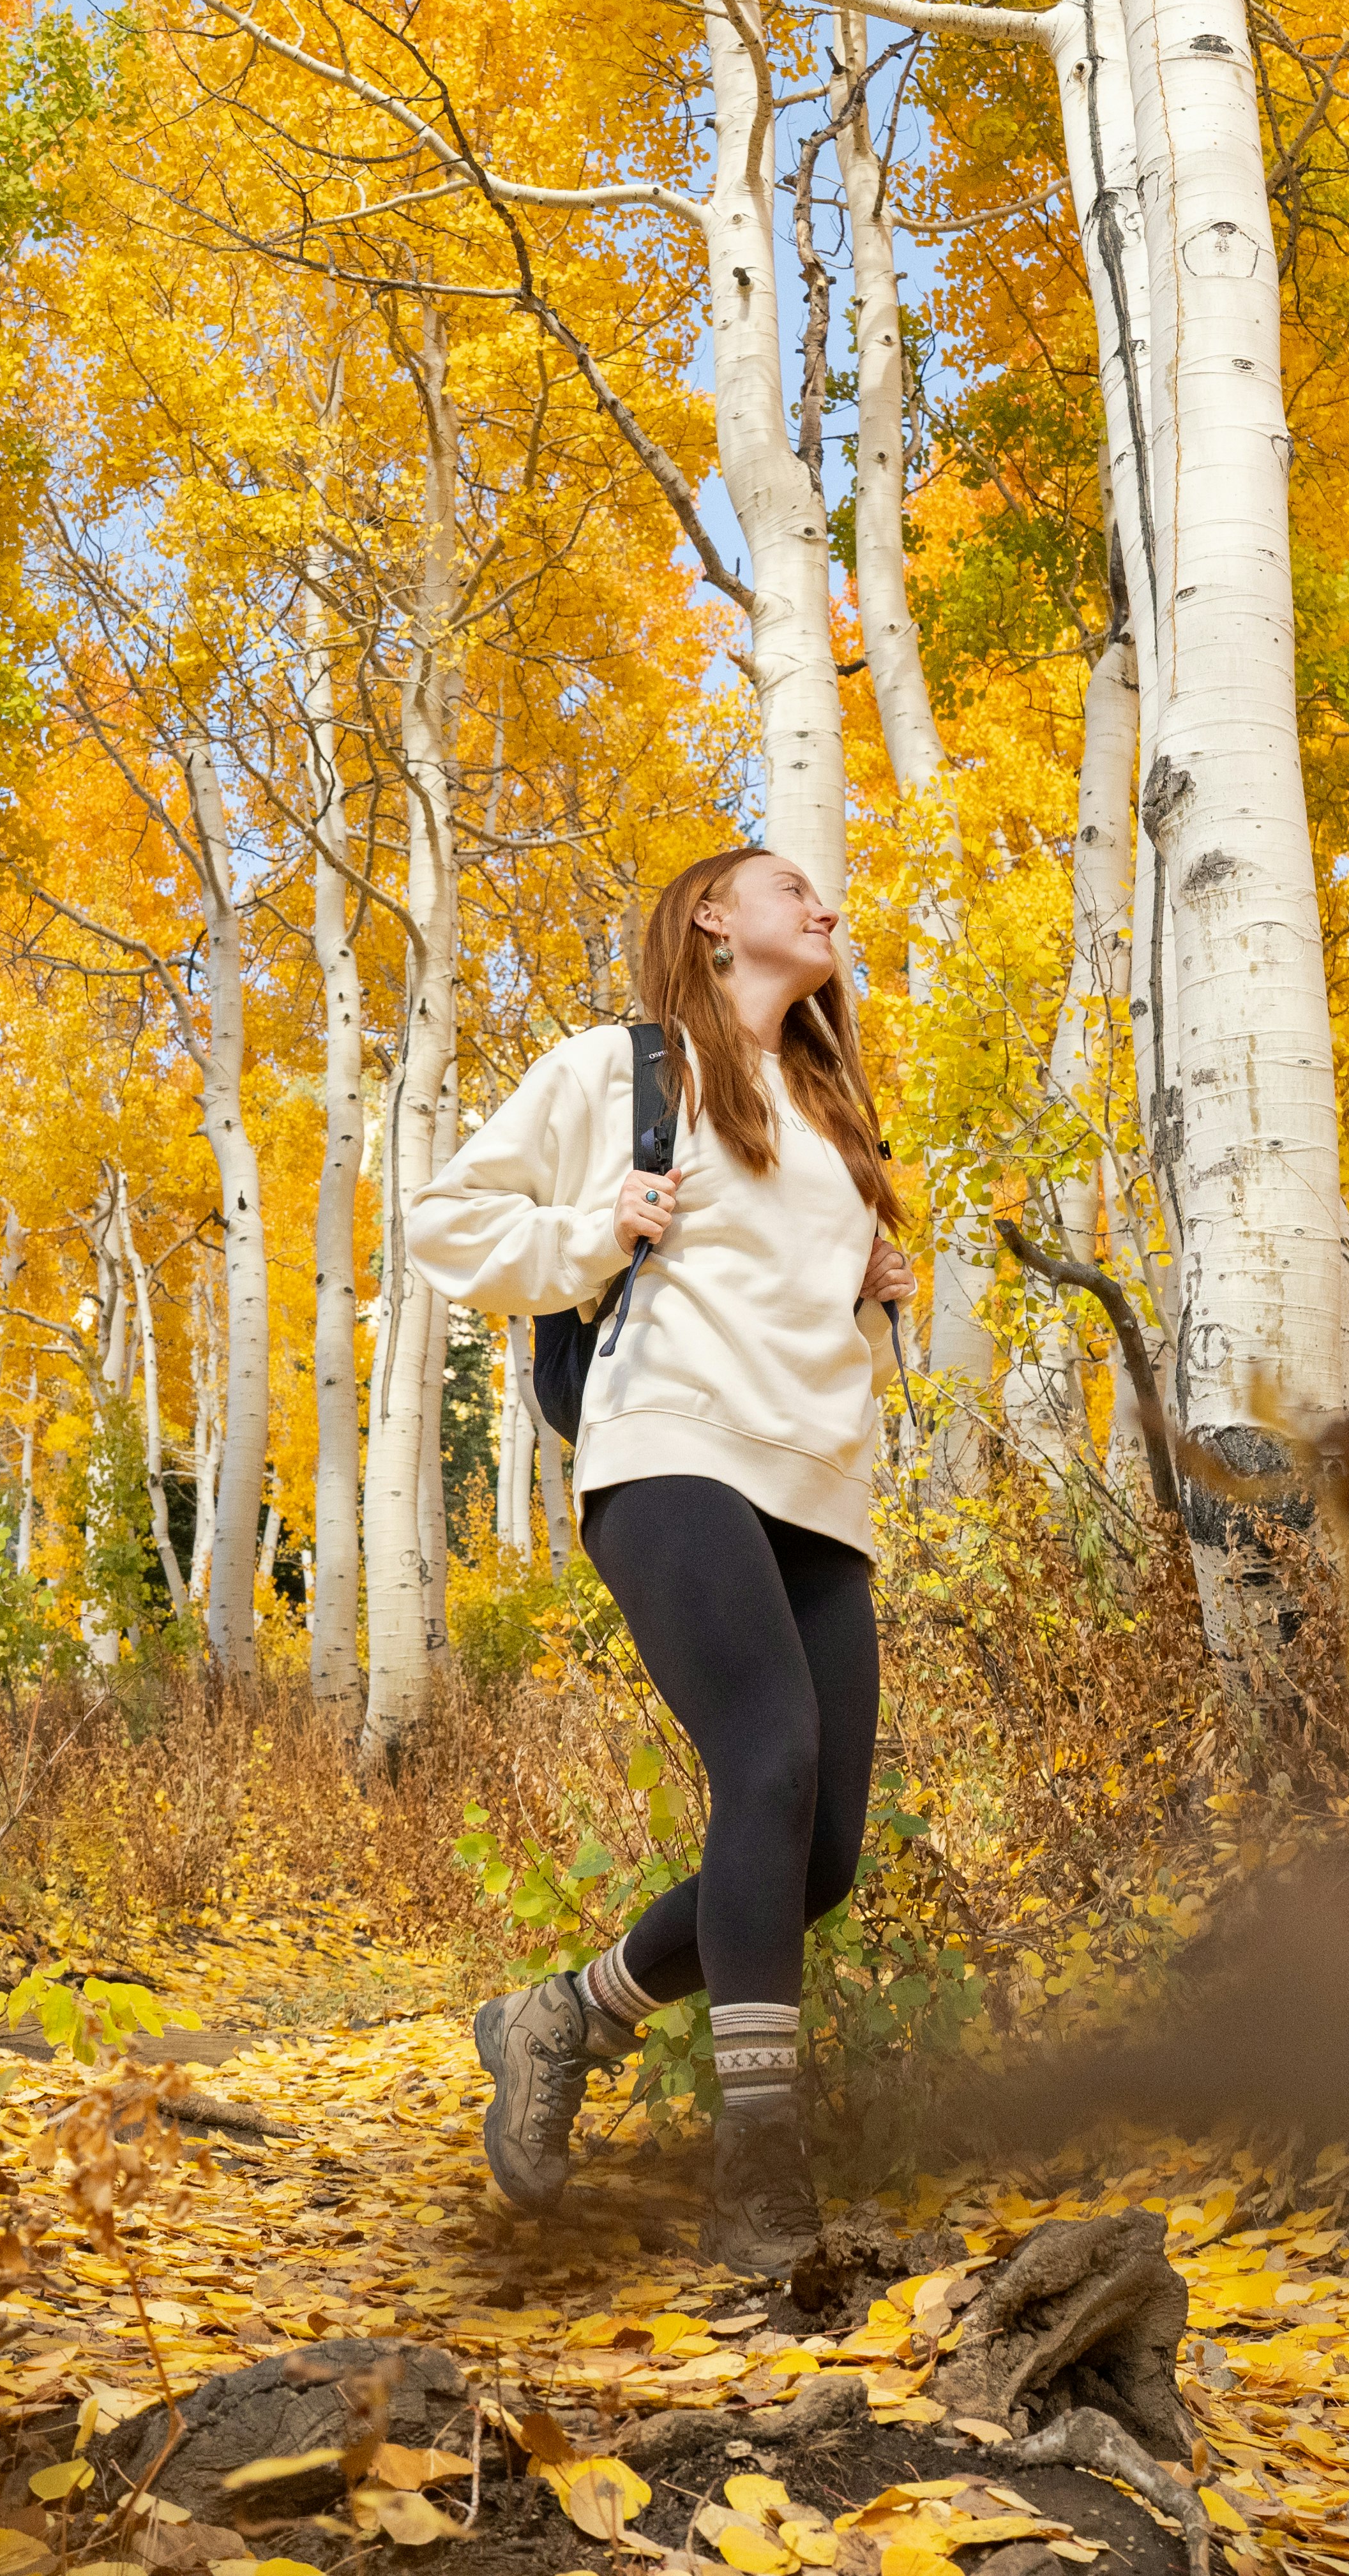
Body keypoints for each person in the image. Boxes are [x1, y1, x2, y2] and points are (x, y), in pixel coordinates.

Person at [412, 844, 917, 2275]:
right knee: (768, 1759)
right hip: (670, 1447)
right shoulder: (621, 1068)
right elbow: (447, 1221)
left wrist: (874, 1295)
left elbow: (813, 1323)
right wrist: (598, 1227)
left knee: (818, 1856)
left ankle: (564, 2016)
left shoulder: (832, 1106)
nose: (825, 907)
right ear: (713, 917)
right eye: (791, 888)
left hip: (819, 1486)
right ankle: (760, 2176)